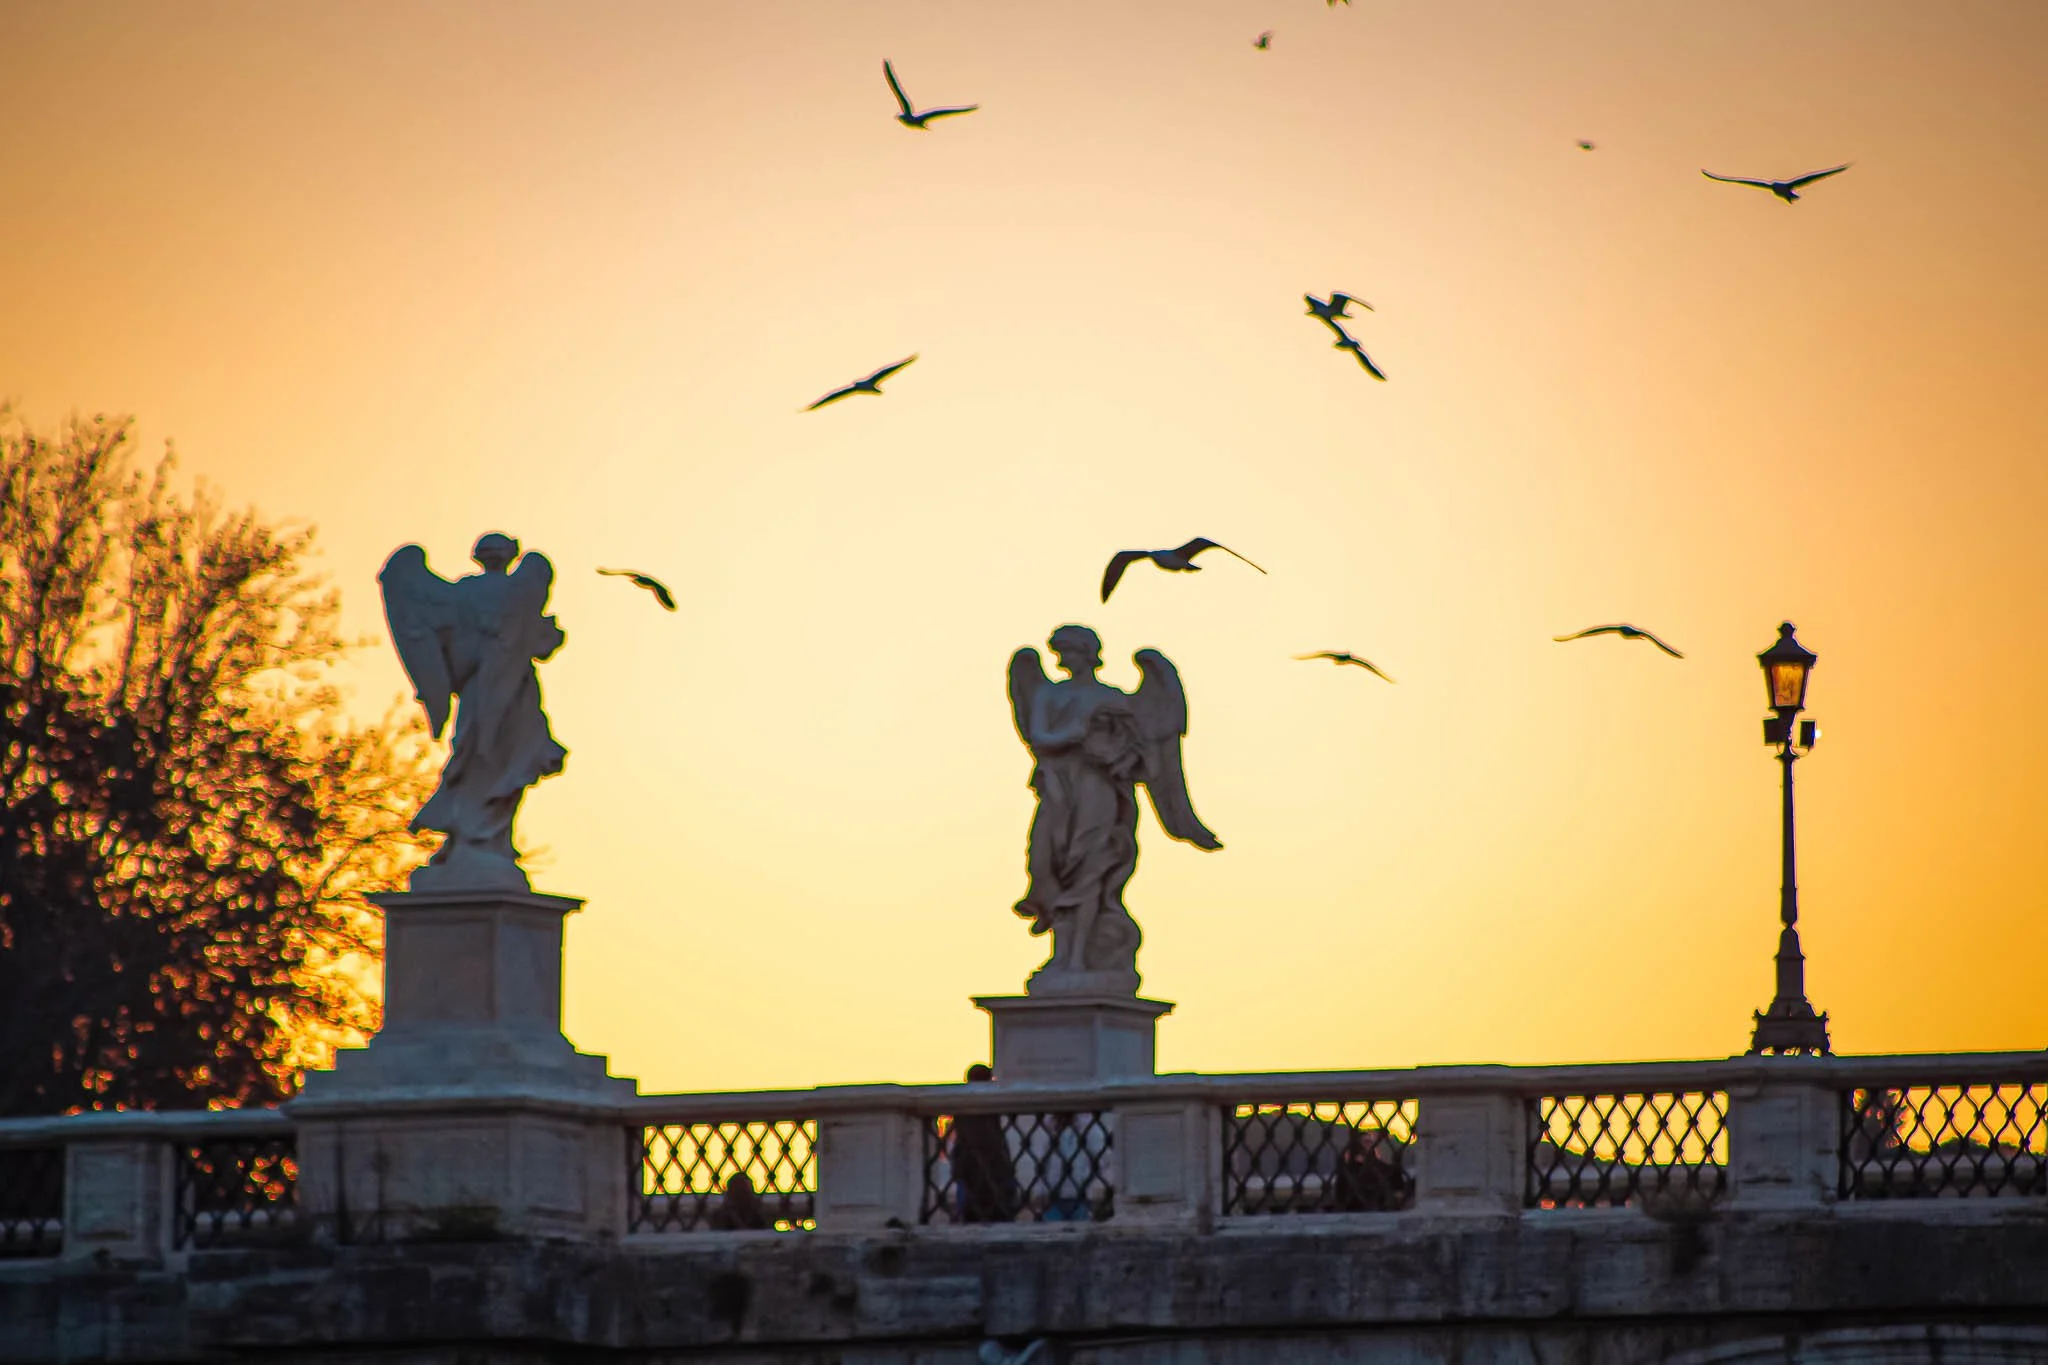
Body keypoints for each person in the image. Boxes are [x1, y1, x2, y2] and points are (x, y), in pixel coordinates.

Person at [951, 1064, 1019, 1224]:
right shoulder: (993, 1099)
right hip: (994, 1164)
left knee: (971, 1217)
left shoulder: (960, 1101)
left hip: (969, 1164)